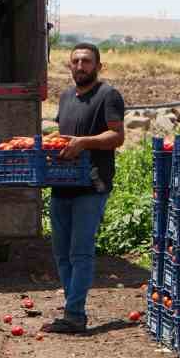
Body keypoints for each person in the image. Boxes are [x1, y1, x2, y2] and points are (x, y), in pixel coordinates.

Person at [43, 43, 126, 334]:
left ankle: (75, 313)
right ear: (70, 66)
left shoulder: (108, 95)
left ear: (98, 66)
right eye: (76, 61)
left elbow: (117, 136)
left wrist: (84, 143)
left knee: (80, 252)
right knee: (61, 253)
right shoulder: (66, 96)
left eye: (87, 61)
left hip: (92, 184)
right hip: (62, 185)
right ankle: (72, 310)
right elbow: (64, 135)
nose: (80, 66)